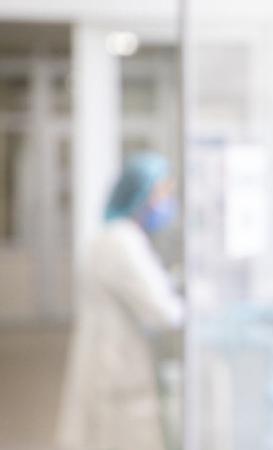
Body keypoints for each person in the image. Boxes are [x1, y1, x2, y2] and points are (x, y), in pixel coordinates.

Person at [58, 153, 183, 450]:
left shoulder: (115, 237)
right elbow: (164, 312)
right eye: (162, 194)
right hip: (116, 371)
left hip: (110, 360)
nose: (166, 203)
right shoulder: (122, 242)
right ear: (140, 194)